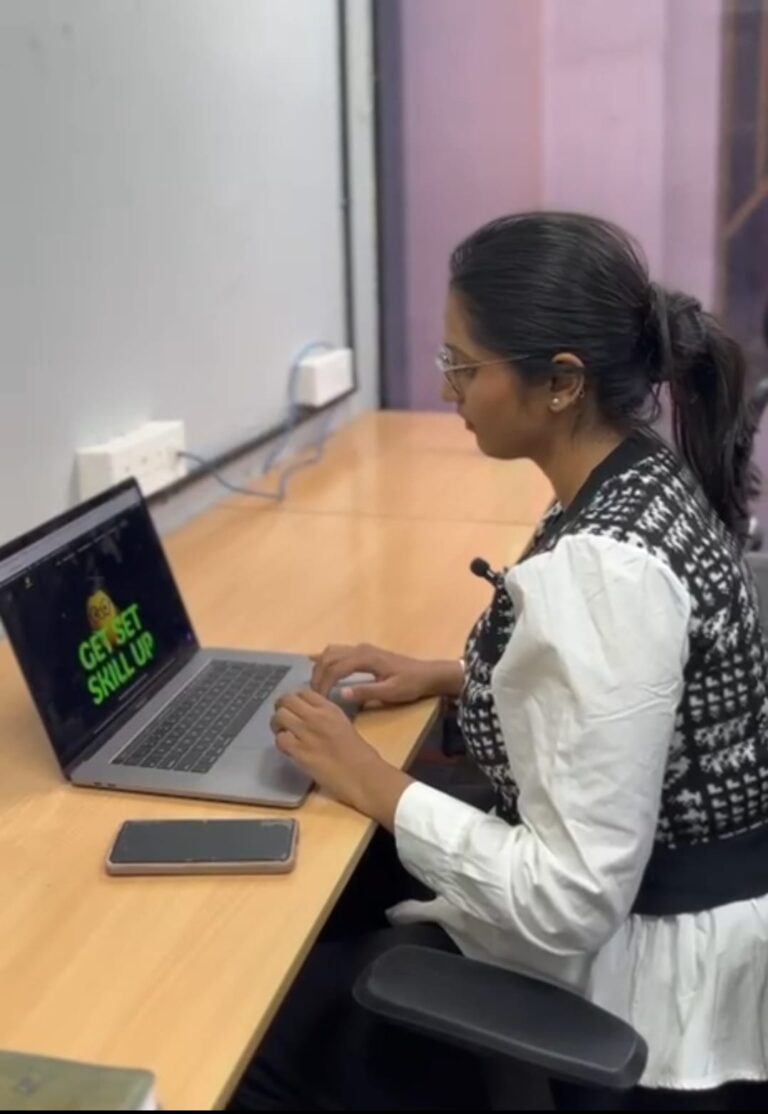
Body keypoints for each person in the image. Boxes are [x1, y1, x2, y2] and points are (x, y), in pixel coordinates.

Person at [232, 213, 768, 1111]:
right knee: (333, 911)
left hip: (649, 987)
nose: (448, 388)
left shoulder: (603, 574)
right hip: (675, 900)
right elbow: (624, 692)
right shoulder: (635, 473)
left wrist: (371, 780)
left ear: (560, 382)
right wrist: (454, 674)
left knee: (260, 1035)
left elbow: (567, 904)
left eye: (462, 366)